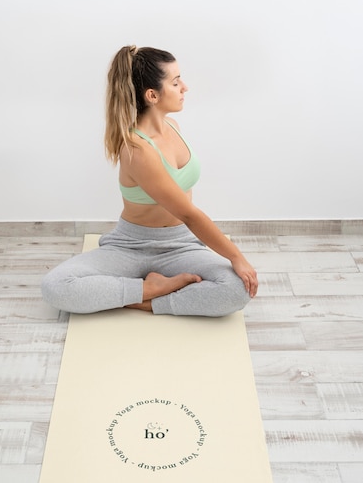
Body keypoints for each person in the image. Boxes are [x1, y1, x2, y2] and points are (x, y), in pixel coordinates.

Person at [41, 45, 258, 317]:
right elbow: (188, 213)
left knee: (237, 289)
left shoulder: (173, 127)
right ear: (152, 95)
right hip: (130, 246)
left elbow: (186, 221)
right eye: (176, 82)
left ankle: (146, 300)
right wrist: (236, 256)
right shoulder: (137, 149)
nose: (185, 88)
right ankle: (149, 290)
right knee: (56, 287)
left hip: (181, 244)